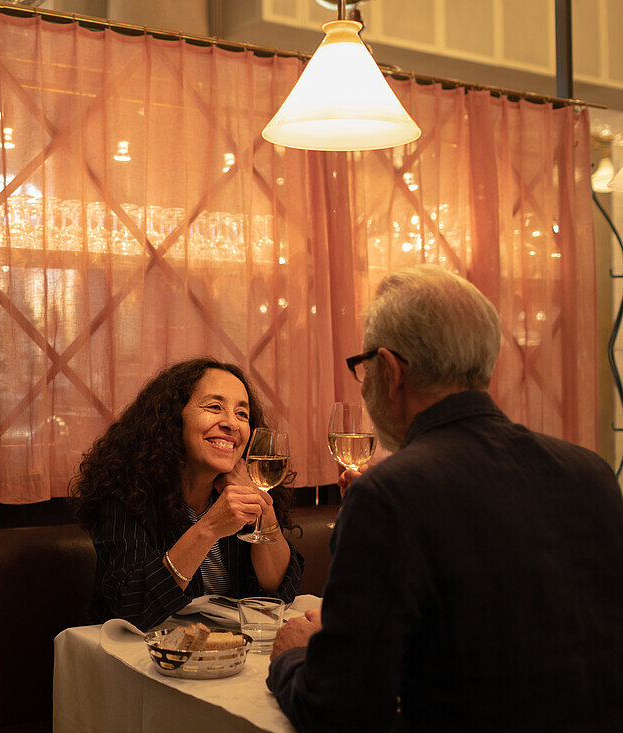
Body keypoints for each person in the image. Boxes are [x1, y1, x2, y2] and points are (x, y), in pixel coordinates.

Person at [267, 265, 623, 730]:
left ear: (390, 371)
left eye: (364, 368)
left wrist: (294, 655)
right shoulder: (590, 472)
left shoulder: (388, 495)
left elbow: (338, 709)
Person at [71, 357, 304, 630]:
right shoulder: (126, 493)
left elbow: (279, 594)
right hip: (137, 657)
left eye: (242, 414)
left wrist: (260, 502)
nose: (232, 423)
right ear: (173, 418)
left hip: (228, 652)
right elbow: (131, 605)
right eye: (215, 407)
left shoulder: (238, 490)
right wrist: (210, 527)